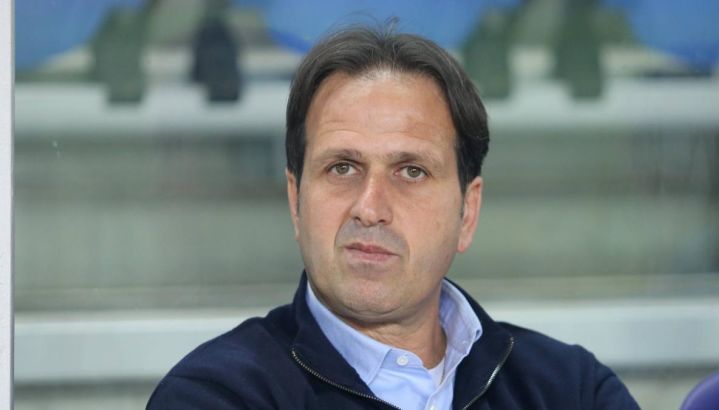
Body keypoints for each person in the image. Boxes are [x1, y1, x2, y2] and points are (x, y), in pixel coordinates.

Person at [147, 26, 639, 409]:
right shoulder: (216, 396)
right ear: (296, 200)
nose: (370, 207)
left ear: (467, 212)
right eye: (342, 168)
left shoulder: (570, 389)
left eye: (411, 171)